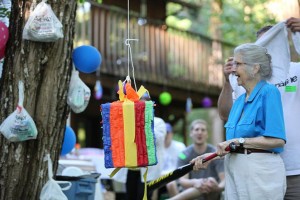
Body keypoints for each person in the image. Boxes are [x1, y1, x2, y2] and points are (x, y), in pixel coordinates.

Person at [218, 17, 300, 200]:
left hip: (295, 167)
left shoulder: (296, 70)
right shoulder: (245, 81)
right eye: (261, 48)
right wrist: (226, 81)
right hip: (251, 171)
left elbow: (276, 139)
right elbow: (225, 115)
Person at [215, 43, 286, 200]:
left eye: (238, 64)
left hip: (260, 173)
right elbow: (232, 143)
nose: (233, 69)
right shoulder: (239, 100)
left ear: (255, 68)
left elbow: (277, 140)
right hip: (233, 169)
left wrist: (239, 141)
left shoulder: (269, 92)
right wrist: (209, 156)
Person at [112, 116, 166, 200]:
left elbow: (157, 139)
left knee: (144, 196)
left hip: (148, 170)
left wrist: (144, 123)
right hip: (130, 168)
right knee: (130, 197)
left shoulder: (158, 122)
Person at [170, 119, 225, 200]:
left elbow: (224, 181)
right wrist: (196, 182)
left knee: (209, 182)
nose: (200, 132)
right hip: (192, 191)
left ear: (207, 134)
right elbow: (182, 181)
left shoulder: (215, 153)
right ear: (191, 133)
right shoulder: (184, 154)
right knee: (171, 184)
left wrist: (217, 187)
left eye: (203, 130)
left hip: (212, 193)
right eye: (196, 129)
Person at [159, 123, 186, 198]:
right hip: (159, 178)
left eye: (167, 132)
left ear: (171, 134)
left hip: (175, 176)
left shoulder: (179, 147)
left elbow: (184, 160)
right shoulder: (156, 148)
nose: (165, 135)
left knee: (171, 184)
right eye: (163, 132)